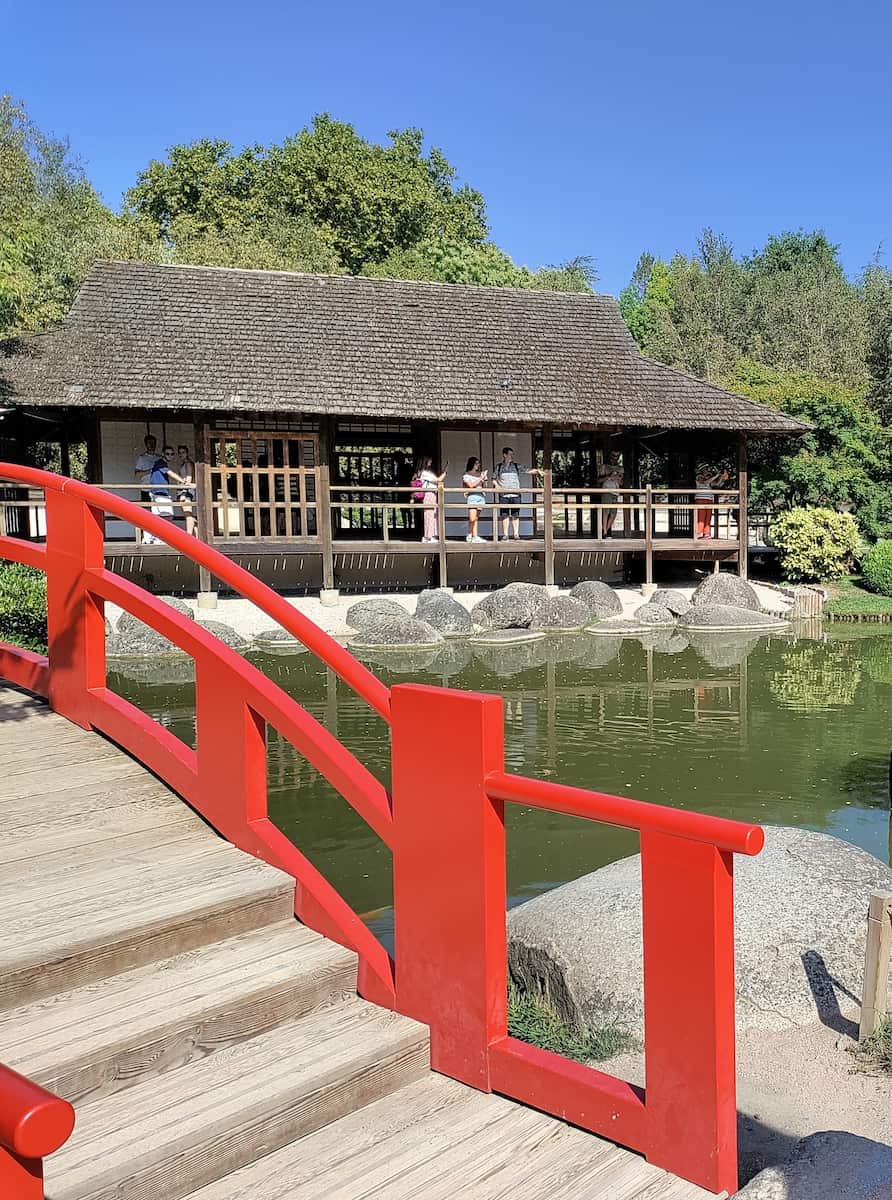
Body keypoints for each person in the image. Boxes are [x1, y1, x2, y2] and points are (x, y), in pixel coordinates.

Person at [493, 447, 543, 540]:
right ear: (504, 455)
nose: (511, 456)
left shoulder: (516, 466)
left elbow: (527, 470)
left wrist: (537, 471)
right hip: (504, 495)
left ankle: (516, 534)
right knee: (504, 515)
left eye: (512, 454)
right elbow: (493, 479)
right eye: (510, 454)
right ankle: (505, 535)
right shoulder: (499, 467)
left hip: (516, 494)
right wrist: (497, 486)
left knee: (515, 515)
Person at [133, 434, 158, 541]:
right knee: (146, 512)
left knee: (157, 512)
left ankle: (157, 535)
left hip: (157, 489)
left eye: (153, 443)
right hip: (146, 488)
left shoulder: (159, 458)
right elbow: (137, 473)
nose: (151, 445)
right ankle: (146, 536)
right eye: (149, 443)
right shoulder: (142, 458)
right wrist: (150, 471)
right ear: (146, 444)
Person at [416, 456, 446, 542]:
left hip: (432, 494)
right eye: (429, 460)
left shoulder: (426, 472)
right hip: (429, 494)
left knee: (433, 515)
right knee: (429, 514)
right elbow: (438, 480)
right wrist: (444, 473)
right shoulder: (424, 472)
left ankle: (431, 535)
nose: (431, 462)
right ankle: (428, 536)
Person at [695, 465, 728, 539]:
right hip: (700, 499)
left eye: (707, 469)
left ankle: (706, 533)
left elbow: (717, 484)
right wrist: (716, 476)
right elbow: (705, 482)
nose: (707, 470)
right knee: (701, 517)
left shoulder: (709, 478)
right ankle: (699, 532)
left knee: (708, 516)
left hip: (709, 499)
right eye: (705, 469)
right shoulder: (699, 477)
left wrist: (721, 477)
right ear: (702, 470)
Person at [462, 457, 488, 542]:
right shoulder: (467, 474)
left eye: (478, 463)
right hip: (472, 496)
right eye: (476, 463)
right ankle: (470, 533)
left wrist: (485, 479)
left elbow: (485, 487)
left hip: (480, 495)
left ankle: (475, 536)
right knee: (472, 518)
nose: (478, 465)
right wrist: (480, 478)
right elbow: (471, 485)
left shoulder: (480, 473)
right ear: (472, 464)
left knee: (476, 518)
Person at [597, 457, 623, 537]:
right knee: (605, 512)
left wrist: (618, 478)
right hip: (606, 491)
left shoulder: (620, 468)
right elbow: (598, 480)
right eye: (613, 456)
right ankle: (605, 531)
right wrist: (609, 477)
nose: (614, 459)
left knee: (613, 514)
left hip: (615, 493)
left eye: (616, 456)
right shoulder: (604, 467)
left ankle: (604, 531)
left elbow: (621, 483)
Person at [176, 445, 197, 536]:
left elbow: (189, 478)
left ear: (187, 453)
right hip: (183, 489)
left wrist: (184, 492)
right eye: (180, 453)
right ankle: (197, 534)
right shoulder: (184, 464)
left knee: (187, 513)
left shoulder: (188, 463)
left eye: (183, 452)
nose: (181, 454)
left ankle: (188, 535)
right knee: (188, 513)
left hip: (186, 490)